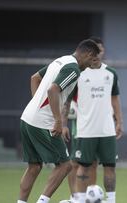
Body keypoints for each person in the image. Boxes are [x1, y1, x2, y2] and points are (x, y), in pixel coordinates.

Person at [17, 39, 100, 203]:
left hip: (27, 118)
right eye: (92, 61)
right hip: (43, 123)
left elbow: (34, 78)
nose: (90, 66)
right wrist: (57, 121)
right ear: (88, 54)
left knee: (34, 167)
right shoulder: (73, 69)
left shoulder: (60, 60)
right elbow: (53, 89)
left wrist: (37, 106)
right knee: (65, 165)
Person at [61, 37, 123, 203]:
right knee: (82, 165)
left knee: (110, 166)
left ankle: (110, 200)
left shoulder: (111, 74)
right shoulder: (79, 73)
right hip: (85, 130)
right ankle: (79, 199)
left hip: (107, 130)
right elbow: (67, 100)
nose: (97, 54)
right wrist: (63, 124)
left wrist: (119, 122)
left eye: (100, 51)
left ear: (102, 52)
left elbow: (115, 99)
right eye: (94, 51)